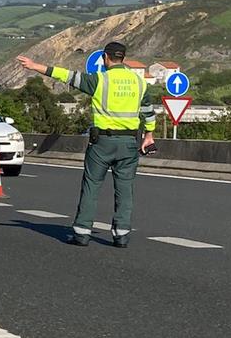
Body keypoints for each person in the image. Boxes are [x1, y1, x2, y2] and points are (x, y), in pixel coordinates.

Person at [17, 42, 156, 248]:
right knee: (125, 189)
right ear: (123, 58)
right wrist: (149, 135)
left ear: (105, 58)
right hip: (129, 143)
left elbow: (66, 76)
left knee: (91, 186)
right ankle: (121, 235)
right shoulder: (139, 83)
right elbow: (149, 112)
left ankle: (82, 233)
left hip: (102, 143)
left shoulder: (99, 79)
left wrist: (35, 66)